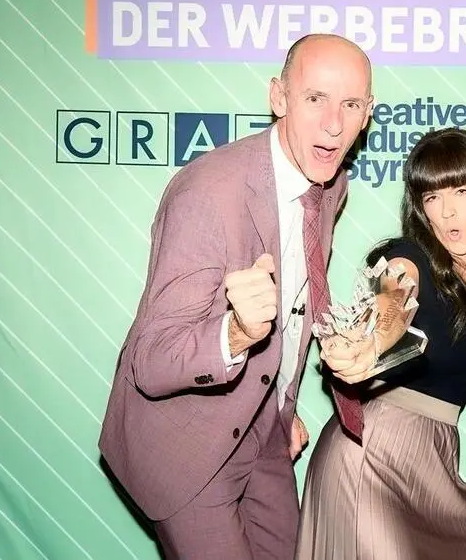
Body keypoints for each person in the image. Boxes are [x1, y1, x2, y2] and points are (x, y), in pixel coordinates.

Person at [97, 33, 374, 560]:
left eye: (351, 104)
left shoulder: (330, 185)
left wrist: (284, 398)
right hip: (189, 441)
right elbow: (151, 362)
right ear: (278, 97)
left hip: (264, 426)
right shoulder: (208, 192)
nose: (334, 124)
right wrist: (237, 333)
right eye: (316, 98)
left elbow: (299, 291)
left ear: (368, 114)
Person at [295, 127, 466, 560]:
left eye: (460, 191)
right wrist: (374, 340)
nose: (447, 213)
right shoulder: (410, 254)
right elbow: (394, 291)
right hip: (370, 457)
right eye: (432, 198)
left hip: (433, 461)